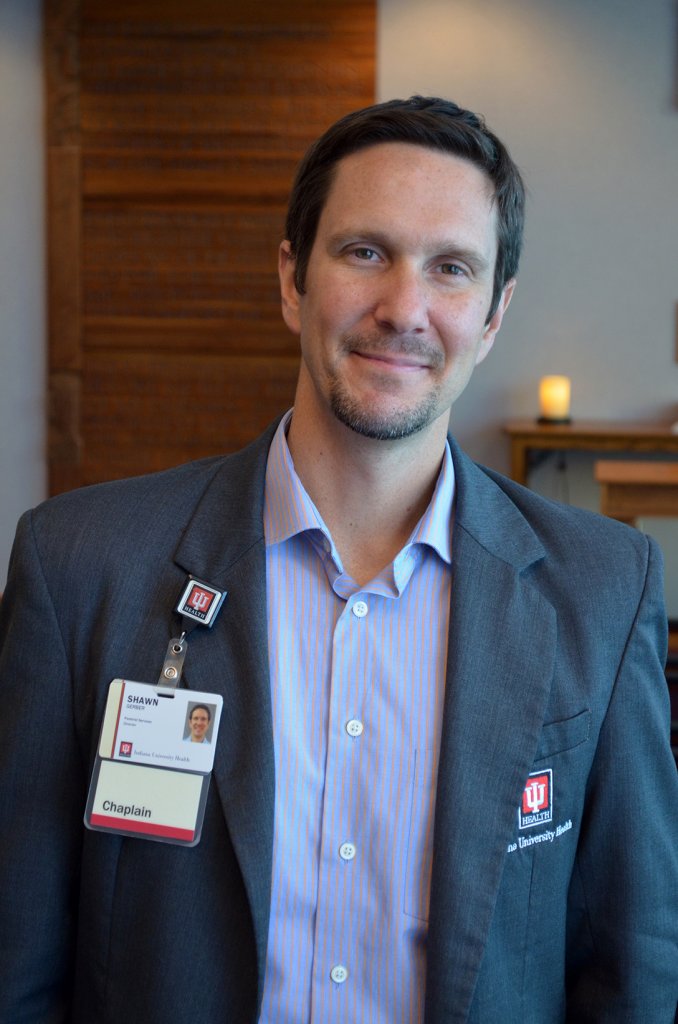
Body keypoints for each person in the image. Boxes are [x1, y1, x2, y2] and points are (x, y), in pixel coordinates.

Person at [0, 96, 676, 1023]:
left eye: (451, 269)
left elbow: (633, 967)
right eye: (366, 252)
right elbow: (18, 962)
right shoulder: (79, 568)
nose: (404, 308)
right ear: (292, 279)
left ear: (492, 314)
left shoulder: (602, 589)